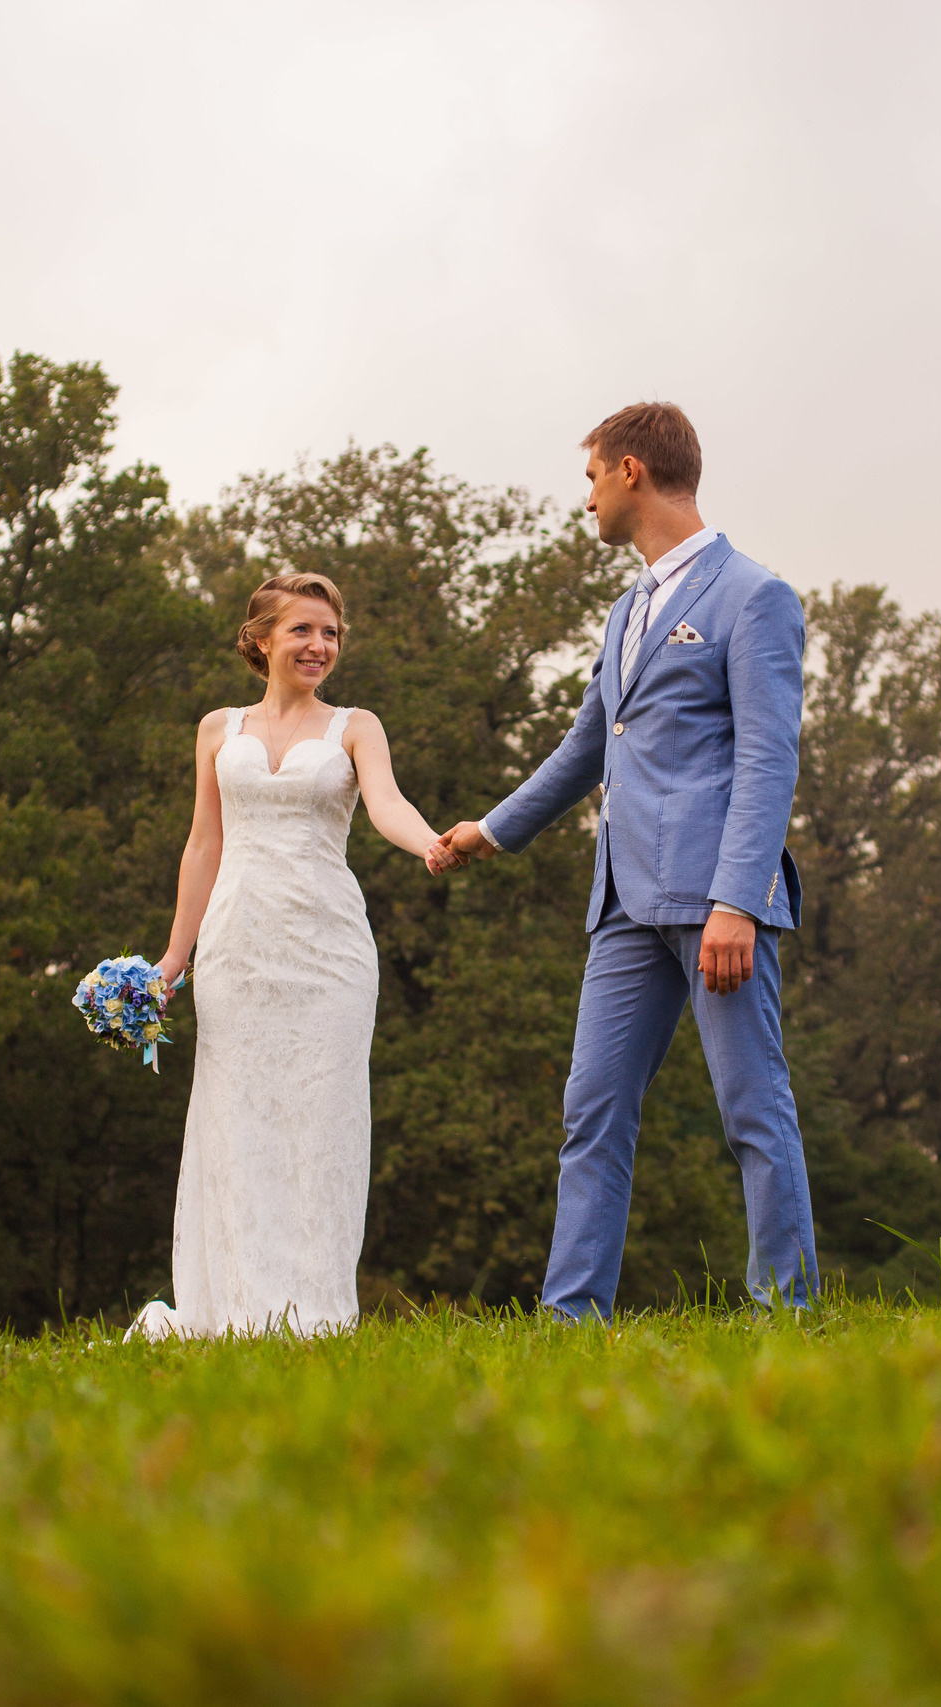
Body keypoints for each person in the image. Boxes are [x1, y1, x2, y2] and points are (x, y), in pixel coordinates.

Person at [428, 402, 816, 1319]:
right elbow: (586, 745)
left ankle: (786, 1311)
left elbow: (768, 759)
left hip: (714, 899)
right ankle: (571, 1318)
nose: (588, 499)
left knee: (752, 1107)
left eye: (592, 476)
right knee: (591, 1111)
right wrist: (492, 827)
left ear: (632, 471)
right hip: (621, 906)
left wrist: (738, 902)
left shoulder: (754, 595)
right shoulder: (625, 611)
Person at [129, 571, 451, 1338]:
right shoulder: (217, 729)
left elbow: (387, 804)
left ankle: (313, 1312)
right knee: (238, 1124)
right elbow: (203, 844)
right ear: (262, 638)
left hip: (329, 952)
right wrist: (172, 960)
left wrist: (431, 842)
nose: (320, 645)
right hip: (237, 950)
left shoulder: (355, 726)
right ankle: (238, 1308)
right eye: (304, 630)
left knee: (323, 1121)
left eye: (331, 633)